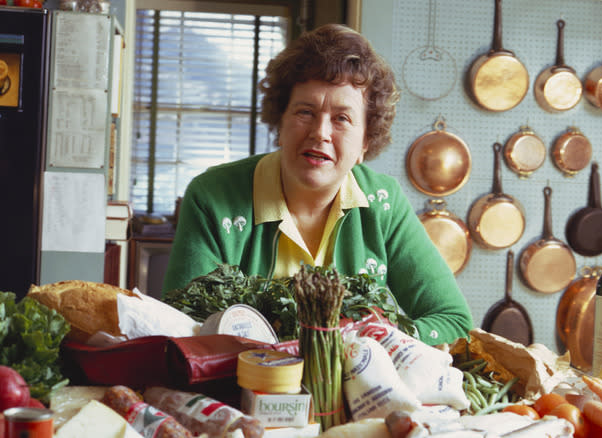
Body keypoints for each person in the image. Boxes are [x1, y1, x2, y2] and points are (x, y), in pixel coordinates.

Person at [162, 23, 473, 345]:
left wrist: (379, 339)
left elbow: (454, 321)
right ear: (280, 123)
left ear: (366, 141)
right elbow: (182, 324)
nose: (320, 132)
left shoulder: (384, 203)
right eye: (305, 112)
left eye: (342, 118)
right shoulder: (213, 196)